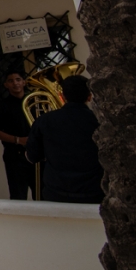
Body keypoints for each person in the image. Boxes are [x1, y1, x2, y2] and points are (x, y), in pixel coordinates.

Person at [25, 76, 103, 204]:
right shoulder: (100, 120)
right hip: (95, 191)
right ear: (89, 96)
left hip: (56, 192)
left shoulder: (44, 120)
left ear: (62, 96)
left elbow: (32, 157)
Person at [0, 69, 37, 200]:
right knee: (18, 195)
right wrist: (18, 140)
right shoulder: (2, 105)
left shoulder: (34, 102)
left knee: (42, 193)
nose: (15, 83)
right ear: (6, 85)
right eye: (11, 81)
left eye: (18, 80)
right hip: (15, 156)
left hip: (36, 154)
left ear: (24, 82)